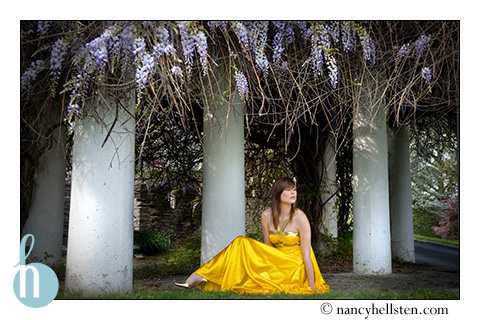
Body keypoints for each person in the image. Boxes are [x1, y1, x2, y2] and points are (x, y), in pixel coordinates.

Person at [174, 177, 329, 294]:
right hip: (277, 259)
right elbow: (267, 247)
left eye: (294, 189)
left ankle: (199, 276)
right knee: (240, 242)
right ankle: (199, 275)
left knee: (242, 244)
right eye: (288, 190)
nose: (293, 193)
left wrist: (312, 285)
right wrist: (265, 265)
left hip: (295, 263)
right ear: (278, 193)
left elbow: (307, 253)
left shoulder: (300, 216)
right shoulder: (266, 215)